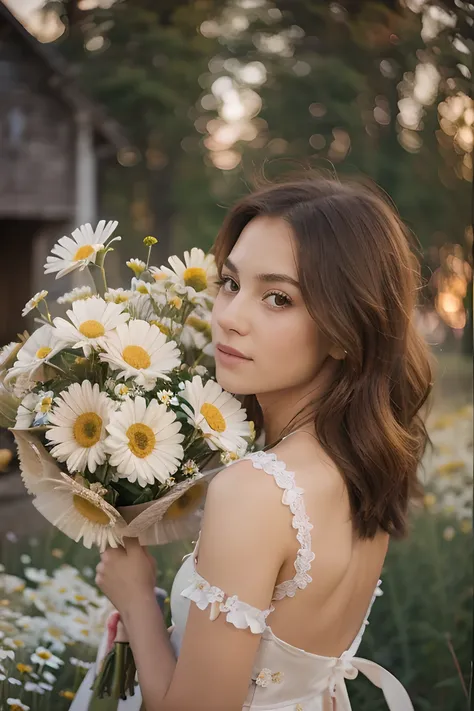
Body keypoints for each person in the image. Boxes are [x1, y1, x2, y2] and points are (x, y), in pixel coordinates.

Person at [79, 176, 434, 711]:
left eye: (277, 298)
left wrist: (136, 603)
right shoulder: (363, 467)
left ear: (345, 329)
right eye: (229, 282)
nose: (228, 317)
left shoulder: (256, 492)